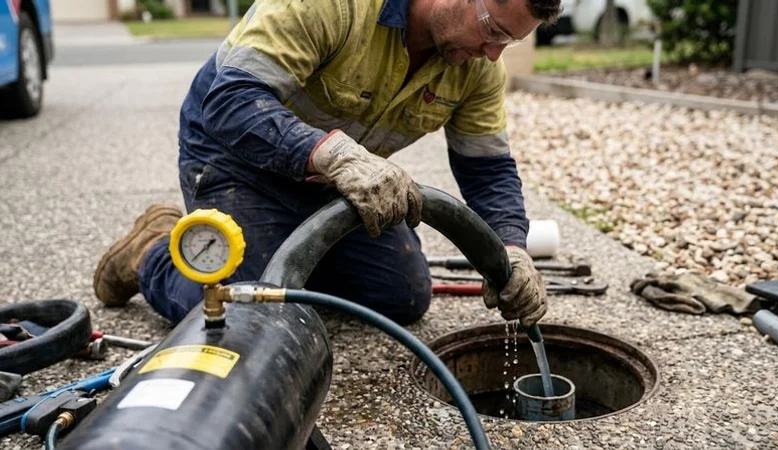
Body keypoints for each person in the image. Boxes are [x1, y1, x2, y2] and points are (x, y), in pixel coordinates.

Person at [93, 0, 562, 327]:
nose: (494, 53)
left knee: (401, 298)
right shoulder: (333, 5)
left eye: (510, 42)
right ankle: (152, 253)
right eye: (495, 31)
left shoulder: (478, 68)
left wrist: (510, 250)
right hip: (238, 156)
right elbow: (233, 100)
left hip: (341, 179)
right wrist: (336, 156)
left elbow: (488, 169)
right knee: (247, 314)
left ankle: (288, 257)